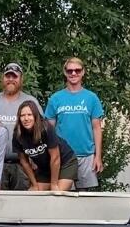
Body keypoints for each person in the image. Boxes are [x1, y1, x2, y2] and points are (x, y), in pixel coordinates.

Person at [44, 57, 104, 190]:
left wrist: (98, 156)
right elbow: (48, 130)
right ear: (65, 73)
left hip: (86, 156)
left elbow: (97, 128)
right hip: (63, 156)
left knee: (85, 200)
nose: (73, 73)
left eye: (77, 70)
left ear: (83, 72)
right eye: (70, 71)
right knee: (63, 199)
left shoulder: (92, 98)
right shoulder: (55, 99)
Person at [0, 63, 39, 190]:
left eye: (14, 77)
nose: (11, 79)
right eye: (7, 76)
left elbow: (40, 131)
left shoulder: (31, 102)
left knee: (22, 205)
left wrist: (36, 158)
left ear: (21, 79)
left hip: (23, 165)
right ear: (2, 78)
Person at [14, 100, 77, 191]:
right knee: (33, 193)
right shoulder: (17, 134)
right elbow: (24, 162)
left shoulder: (46, 128)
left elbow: (55, 158)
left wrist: (54, 185)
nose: (26, 118)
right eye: (22, 115)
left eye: (29, 115)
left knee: (56, 193)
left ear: (36, 116)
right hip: (45, 168)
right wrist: (34, 184)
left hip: (65, 162)